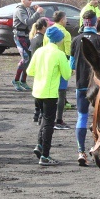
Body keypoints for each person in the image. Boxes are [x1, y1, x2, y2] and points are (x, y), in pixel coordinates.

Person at [27, 25, 72, 166]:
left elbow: (29, 71)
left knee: (44, 119)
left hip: (37, 91)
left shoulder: (39, 51)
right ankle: (45, 155)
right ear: (59, 40)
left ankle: (39, 145)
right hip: (50, 93)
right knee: (48, 124)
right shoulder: (59, 54)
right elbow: (67, 74)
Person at [70, 13, 100, 166]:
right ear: (95, 24)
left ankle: (81, 151)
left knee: (82, 117)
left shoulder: (76, 40)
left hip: (81, 84)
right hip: (99, 85)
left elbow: (71, 65)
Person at [44, 11, 72, 130]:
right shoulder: (65, 33)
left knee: (48, 91)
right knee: (61, 93)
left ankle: (43, 117)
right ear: (61, 19)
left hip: (47, 63)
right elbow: (68, 53)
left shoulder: (48, 31)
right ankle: (59, 120)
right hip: (60, 64)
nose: (66, 20)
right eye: (65, 18)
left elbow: (44, 46)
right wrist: (69, 67)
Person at [12, 0, 44, 91]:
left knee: (30, 57)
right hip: (19, 36)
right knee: (25, 57)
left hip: (27, 36)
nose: (30, 2)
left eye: (31, 0)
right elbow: (27, 21)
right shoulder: (19, 10)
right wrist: (37, 13)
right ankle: (16, 80)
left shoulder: (28, 9)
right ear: (23, 1)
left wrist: (36, 11)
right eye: (28, 0)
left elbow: (36, 21)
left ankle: (23, 81)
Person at [29, 17, 50, 124]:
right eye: (47, 26)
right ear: (43, 27)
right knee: (43, 92)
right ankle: (41, 113)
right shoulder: (43, 40)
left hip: (35, 66)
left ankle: (36, 113)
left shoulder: (33, 38)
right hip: (42, 66)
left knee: (37, 91)